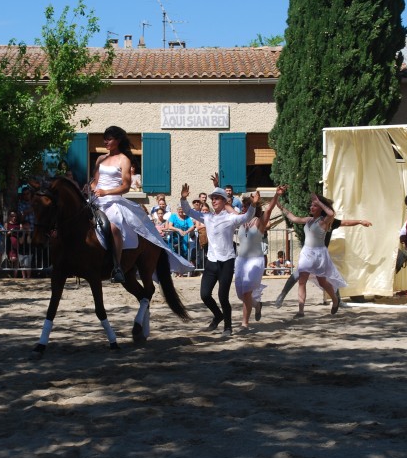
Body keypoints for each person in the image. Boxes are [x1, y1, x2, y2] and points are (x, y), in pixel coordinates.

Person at [91, 125, 193, 283]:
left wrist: (106, 192)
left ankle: (117, 267)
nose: (105, 141)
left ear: (117, 141)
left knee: (114, 228)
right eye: (105, 138)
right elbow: (95, 182)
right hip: (96, 199)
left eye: (109, 139)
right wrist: (91, 188)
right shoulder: (100, 159)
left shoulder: (124, 159)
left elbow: (125, 186)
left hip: (112, 201)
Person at [181, 183, 257, 337]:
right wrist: (183, 198)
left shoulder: (230, 218)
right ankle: (218, 315)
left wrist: (253, 205)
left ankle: (228, 327)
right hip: (211, 262)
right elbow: (188, 211)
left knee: (223, 297)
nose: (213, 200)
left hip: (227, 262)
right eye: (212, 198)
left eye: (217, 198)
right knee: (204, 295)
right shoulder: (206, 216)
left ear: (224, 201)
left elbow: (246, 217)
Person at [276, 188, 346, 317]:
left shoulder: (324, 221)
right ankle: (301, 311)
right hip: (307, 253)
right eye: (312, 205)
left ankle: (335, 300)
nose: (311, 207)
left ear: (320, 208)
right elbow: (294, 218)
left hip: (319, 255)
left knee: (322, 281)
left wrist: (318, 202)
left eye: (314, 205)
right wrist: (280, 206)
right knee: (302, 280)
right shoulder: (308, 220)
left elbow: (331, 214)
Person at [274, 217, 373, 307]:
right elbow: (296, 219)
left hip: (321, 255)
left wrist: (360, 221)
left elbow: (346, 222)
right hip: (309, 253)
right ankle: (282, 295)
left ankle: (337, 300)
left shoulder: (331, 221)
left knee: (331, 276)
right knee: (297, 274)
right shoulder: (312, 220)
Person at [235, 189, 279, 330]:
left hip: (255, 260)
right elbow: (227, 207)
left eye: (245, 207)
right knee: (241, 294)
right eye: (242, 207)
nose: (242, 210)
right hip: (241, 260)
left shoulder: (260, 222)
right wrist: (218, 187)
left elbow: (270, 208)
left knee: (247, 291)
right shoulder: (241, 221)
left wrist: (277, 194)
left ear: (252, 207)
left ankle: (244, 323)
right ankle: (257, 305)